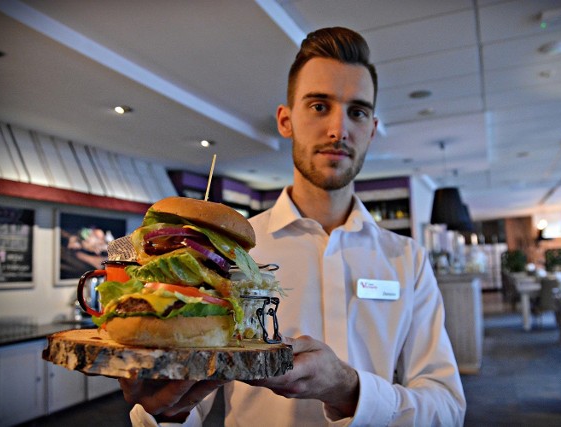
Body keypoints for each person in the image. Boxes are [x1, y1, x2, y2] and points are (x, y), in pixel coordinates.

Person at [121, 26, 466, 426]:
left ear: (372, 129)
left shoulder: (408, 259)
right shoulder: (229, 252)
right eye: (319, 106)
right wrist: (166, 408)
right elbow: (184, 407)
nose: (339, 129)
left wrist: (349, 390)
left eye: (357, 111)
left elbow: (447, 408)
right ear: (286, 120)